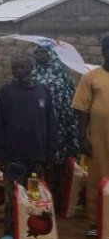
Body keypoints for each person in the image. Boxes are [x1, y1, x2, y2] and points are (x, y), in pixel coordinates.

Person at [0, 55, 57, 239]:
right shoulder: (6, 92)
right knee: (13, 195)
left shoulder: (43, 92)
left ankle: (34, 231)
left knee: (35, 195)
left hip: (38, 154)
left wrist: (51, 151)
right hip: (14, 155)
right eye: (15, 67)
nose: (19, 70)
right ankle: (9, 232)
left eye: (22, 66)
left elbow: (51, 124)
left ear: (31, 67)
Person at [72, 34, 109, 239]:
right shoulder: (91, 77)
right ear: (104, 52)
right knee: (97, 180)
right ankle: (95, 223)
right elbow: (81, 109)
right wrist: (81, 137)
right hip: (98, 139)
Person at [32, 45, 79, 196]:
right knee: (40, 159)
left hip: (61, 124)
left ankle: (59, 194)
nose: (39, 54)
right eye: (37, 52)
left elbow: (71, 99)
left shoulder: (63, 76)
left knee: (59, 159)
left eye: (43, 52)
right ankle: (41, 193)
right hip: (39, 124)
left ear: (51, 54)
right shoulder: (33, 74)